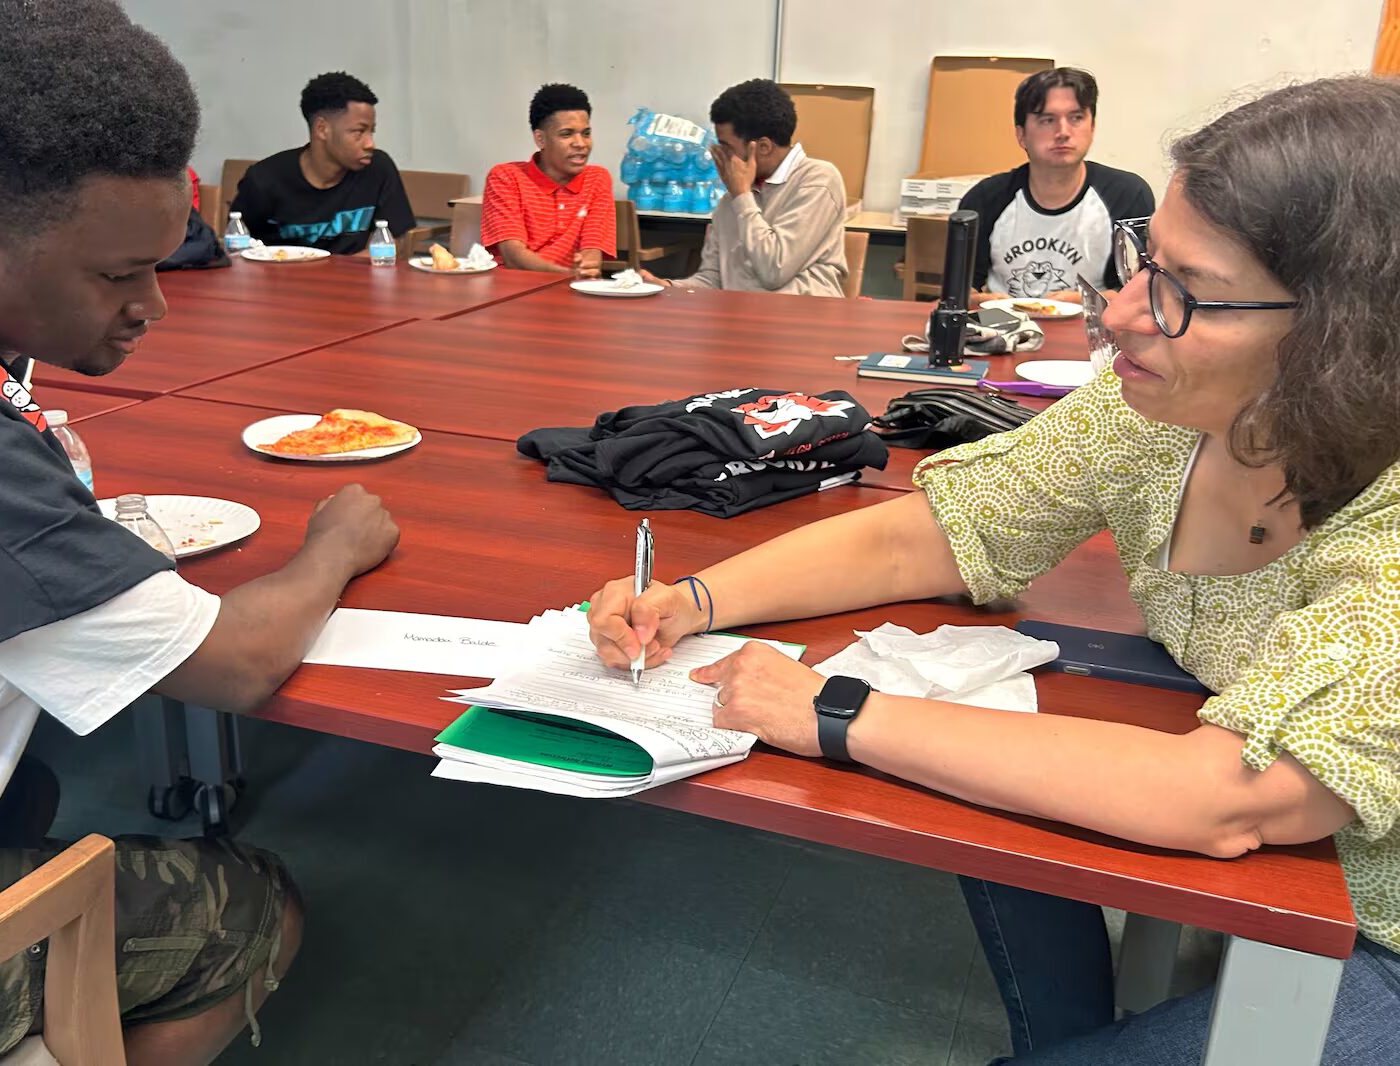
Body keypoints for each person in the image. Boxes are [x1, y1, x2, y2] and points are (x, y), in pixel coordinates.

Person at [588, 76, 1400, 1065]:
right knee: (985, 747)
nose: (1120, 312)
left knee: (955, 738)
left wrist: (831, 711)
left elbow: (1223, 797)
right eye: (1145, 260)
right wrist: (692, 598)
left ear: (1338, 337)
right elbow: (926, 534)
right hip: (1286, 834)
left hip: (1376, 921)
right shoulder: (1157, 412)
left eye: (1182, 292)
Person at [0, 1, 400, 1063]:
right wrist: (334, 546)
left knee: (26, 787)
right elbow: (238, 661)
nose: (153, 308)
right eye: (119, 275)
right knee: (247, 909)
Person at [960, 67, 1154, 305]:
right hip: (1004, 332)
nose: (1063, 132)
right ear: (1021, 135)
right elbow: (959, 292)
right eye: (1047, 120)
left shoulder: (1128, 194)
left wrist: (1089, 301)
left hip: (1095, 333)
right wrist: (979, 302)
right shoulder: (985, 198)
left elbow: (1145, 291)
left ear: (1092, 127)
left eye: (1076, 118)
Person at [642, 78, 846, 298]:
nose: (718, 157)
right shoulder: (731, 200)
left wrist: (742, 196)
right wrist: (668, 287)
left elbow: (774, 270)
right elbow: (714, 279)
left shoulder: (818, 180)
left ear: (764, 147)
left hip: (801, 321)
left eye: (726, 148)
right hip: (743, 317)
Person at [230, 71, 414, 255]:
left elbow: (395, 241)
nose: (370, 144)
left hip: (353, 281)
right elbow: (238, 248)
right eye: (359, 132)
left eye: (371, 132)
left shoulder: (377, 169)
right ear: (322, 129)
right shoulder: (264, 181)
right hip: (282, 279)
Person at [480, 83, 616, 277]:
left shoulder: (597, 179)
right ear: (540, 139)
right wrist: (568, 275)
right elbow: (513, 257)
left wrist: (585, 270)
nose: (580, 143)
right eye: (567, 134)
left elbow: (592, 252)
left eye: (586, 133)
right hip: (514, 291)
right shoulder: (505, 177)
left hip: (572, 293)